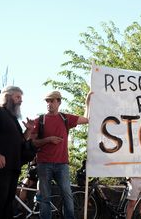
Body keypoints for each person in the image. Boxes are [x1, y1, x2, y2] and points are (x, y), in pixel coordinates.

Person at [31, 90, 92, 219]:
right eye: (47, 101)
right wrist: (48, 139)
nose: (49, 104)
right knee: (44, 198)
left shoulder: (65, 118)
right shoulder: (39, 120)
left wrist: (87, 101)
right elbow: (33, 143)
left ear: (59, 102)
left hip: (62, 164)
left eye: (52, 101)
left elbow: (87, 119)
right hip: (44, 163)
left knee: (67, 195)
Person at [0, 86, 34, 219]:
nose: (20, 101)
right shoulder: (0, 112)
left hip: (13, 167)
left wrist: (29, 131)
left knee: (8, 205)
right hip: (1, 168)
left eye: (21, 98)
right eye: (17, 97)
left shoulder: (13, 118)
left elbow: (20, 141)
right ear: (7, 97)